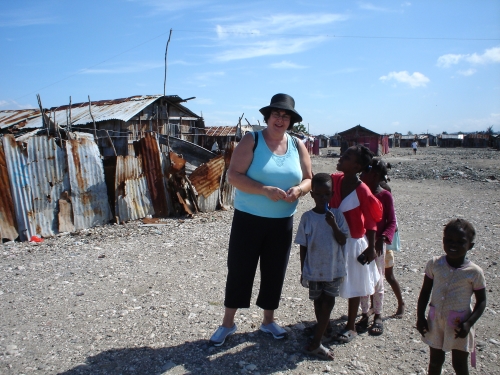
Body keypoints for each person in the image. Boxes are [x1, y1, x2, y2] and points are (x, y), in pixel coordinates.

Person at [209, 93, 312, 346]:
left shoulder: (297, 144)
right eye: (276, 114)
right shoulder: (251, 139)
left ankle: (268, 321)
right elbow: (233, 175)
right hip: (249, 219)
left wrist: (299, 190)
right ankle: (227, 323)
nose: (280, 119)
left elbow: (309, 178)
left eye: (285, 116)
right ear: (267, 117)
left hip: (282, 221)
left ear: (291, 121)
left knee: (274, 271)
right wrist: (263, 190)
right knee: (240, 270)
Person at [417, 219, 486, 375]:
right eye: (449, 240)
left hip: (459, 325)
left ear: (470, 246)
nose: (453, 245)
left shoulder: (474, 272)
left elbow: (481, 301)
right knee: (435, 362)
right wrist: (420, 317)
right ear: (443, 241)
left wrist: (469, 323)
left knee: (459, 364)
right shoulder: (434, 264)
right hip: (435, 323)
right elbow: (425, 291)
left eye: (460, 242)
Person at [329, 145, 383, 343]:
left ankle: (350, 326)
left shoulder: (362, 190)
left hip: (353, 242)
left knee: (353, 284)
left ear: (357, 166)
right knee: (331, 282)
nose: (341, 157)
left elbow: (371, 220)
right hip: (335, 240)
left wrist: (371, 247)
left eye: (347, 156)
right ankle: (325, 322)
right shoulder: (335, 180)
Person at [295, 173, 349, 360]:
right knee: (318, 302)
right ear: (312, 195)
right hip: (314, 270)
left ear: (332, 194)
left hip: (334, 269)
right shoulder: (307, 218)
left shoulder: (338, 216)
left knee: (329, 302)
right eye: (319, 194)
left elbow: (343, 240)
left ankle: (316, 342)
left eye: (327, 195)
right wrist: (303, 270)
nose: (323, 198)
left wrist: (333, 225)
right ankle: (322, 330)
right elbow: (303, 246)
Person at [357, 159, 397, 336]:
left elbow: (392, 222)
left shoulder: (385, 196)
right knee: (362, 280)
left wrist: (383, 239)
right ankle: (365, 314)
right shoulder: (359, 192)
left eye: (364, 172)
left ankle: (378, 315)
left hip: (378, 247)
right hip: (360, 244)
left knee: (378, 280)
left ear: (373, 175)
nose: (360, 175)